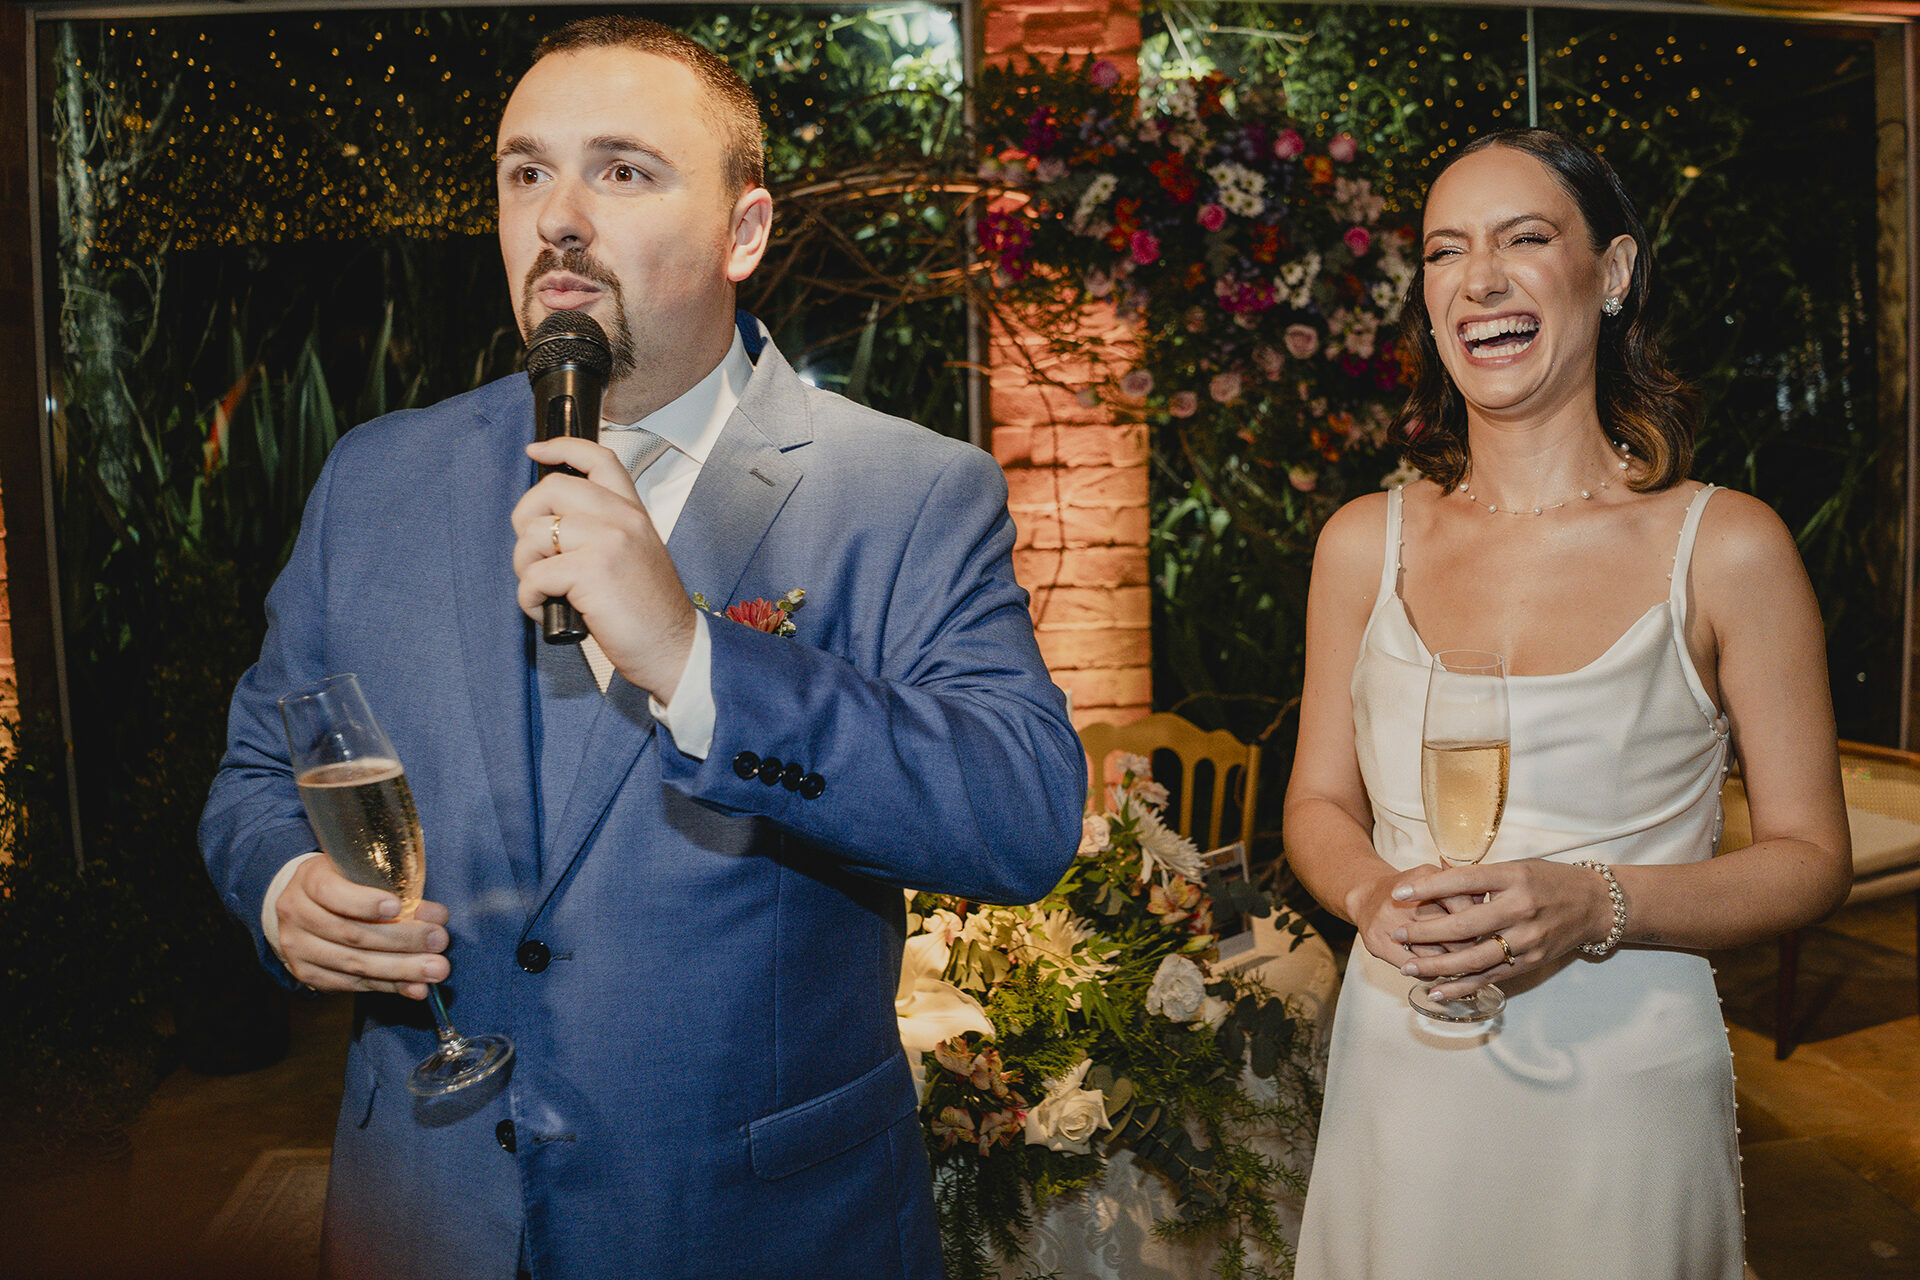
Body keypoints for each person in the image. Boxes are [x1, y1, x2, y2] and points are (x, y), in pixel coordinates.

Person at [199, 17, 1083, 1280]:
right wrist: (286, 888)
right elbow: (255, 772)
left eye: (621, 170)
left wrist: (690, 655)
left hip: (753, 1228)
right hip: (423, 1217)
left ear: (743, 231)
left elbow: (1020, 815)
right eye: (526, 172)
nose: (559, 217)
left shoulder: (907, 492)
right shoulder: (376, 478)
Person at [1283, 128, 1851, 1278]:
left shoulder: (1726, 547)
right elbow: (1317, 803)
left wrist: (1595, 903)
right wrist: (1372, 890)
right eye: (1446, 250)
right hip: (1401, 1071)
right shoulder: (1359, 543)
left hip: (1623, 1092)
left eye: (1525, 239)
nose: (1479, 279)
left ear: (1615, 270)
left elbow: (1810, 858)